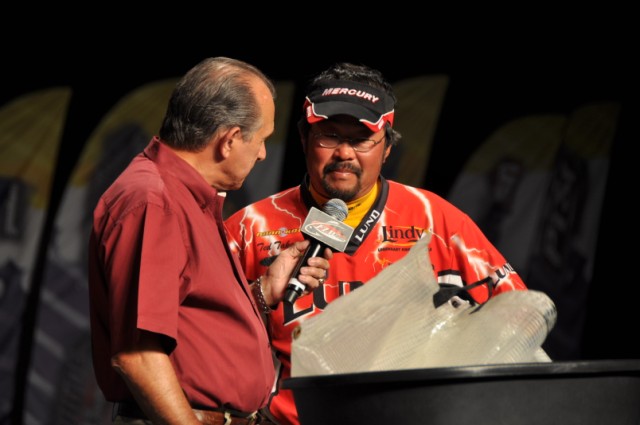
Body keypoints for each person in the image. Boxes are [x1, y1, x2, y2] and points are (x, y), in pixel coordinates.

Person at [224, 62, 529, 425]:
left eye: (361, 139)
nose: (344, 153)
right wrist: (260, 295)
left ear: (386, 148)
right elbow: (203, 338)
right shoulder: (249, 227)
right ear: (304, 139)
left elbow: (520, 316)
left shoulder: (437, 222)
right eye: (329, 136)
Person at [88, 57, 331, 425]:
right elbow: (139, 356)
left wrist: (263, 292)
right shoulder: (155, 202)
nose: (262, 153)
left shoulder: (184, 198)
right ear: (229, 140)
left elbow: (188, 322)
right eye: (261, 139)